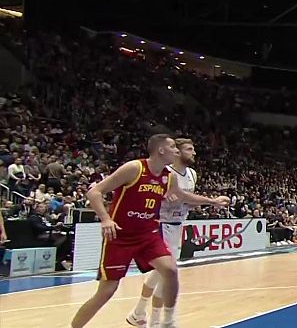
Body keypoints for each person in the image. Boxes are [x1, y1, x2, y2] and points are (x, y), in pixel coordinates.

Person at [71, 134, 229, 328]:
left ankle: (168, 321)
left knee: (170, 270)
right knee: (106, 292)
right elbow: (94, 192)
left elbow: (182, 195)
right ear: (161, 150)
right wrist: (105, 219)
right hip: (121, 235)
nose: (176, 151)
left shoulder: (168, 176)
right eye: (173, 147)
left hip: (148, 234)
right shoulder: (134, 168)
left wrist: (212, 201)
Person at [127, 138, 201, 328]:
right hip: (161, 223)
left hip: (178, 224)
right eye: (190, 149)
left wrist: (193, 201)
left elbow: (188, 199)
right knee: (166, 272)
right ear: (177, 152)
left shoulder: (192, 174)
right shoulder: (166, 174)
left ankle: (140, 313)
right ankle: (156, 321)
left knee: (160, 273)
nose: (194, 153)